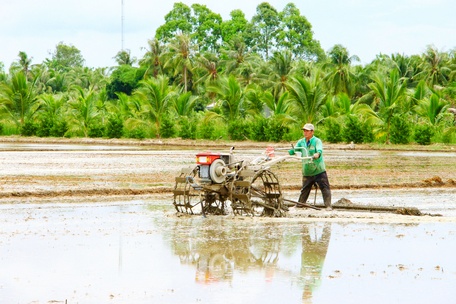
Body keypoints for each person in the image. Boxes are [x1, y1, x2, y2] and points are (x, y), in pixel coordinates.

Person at [289, 123, 332, 210]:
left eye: (307, 131)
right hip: (307, 170)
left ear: (312, 132)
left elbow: (319, 150)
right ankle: (300, 205)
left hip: (318, 169)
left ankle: (328, 206)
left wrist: (317, 154)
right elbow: (295, 149)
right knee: (305, 189)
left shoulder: (317, 141)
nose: (305, 132)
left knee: (325, 188)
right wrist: (291, 151)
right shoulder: (301, 142)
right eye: (304, 131)